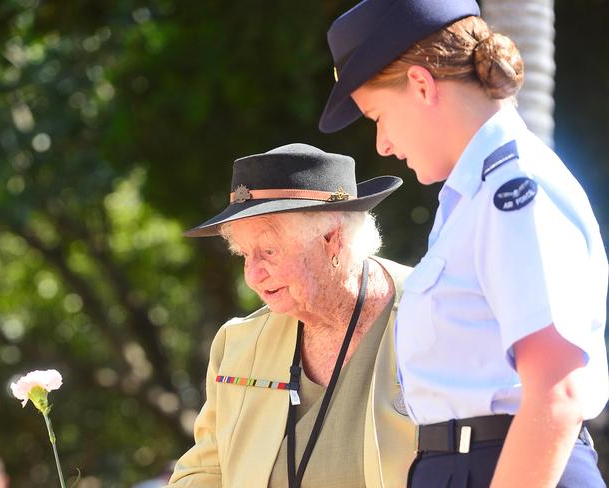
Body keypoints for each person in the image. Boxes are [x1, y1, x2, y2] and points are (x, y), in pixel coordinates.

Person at [318, 0, 608, 487]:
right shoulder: (471, 200)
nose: (382, 144)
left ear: (421, 85)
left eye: (376, 116)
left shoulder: (512, 191)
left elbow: (558, 392)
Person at [168, 143, 416, 487]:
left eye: (268, 251)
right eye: (244, 254)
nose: (252, 275)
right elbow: (204, 473)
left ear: (333, 240)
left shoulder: (434, 312)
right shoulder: (238, 346)